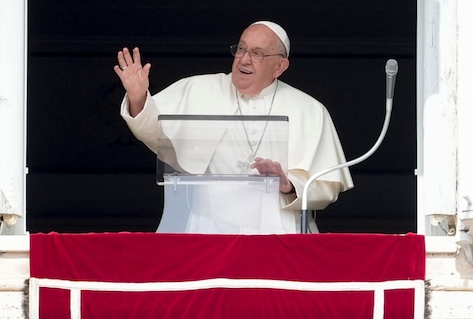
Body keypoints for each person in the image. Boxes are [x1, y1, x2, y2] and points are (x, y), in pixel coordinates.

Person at [115, 21, 353, 234]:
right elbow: (156, 131)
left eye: (257, 53)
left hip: (279, 229)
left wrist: (288, 184)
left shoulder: (309, 109)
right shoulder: (199, 89)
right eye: (241, 49)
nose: (244, 59)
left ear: (280, 66)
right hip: (209, 227)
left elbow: (325, 187)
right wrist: (138, 97)